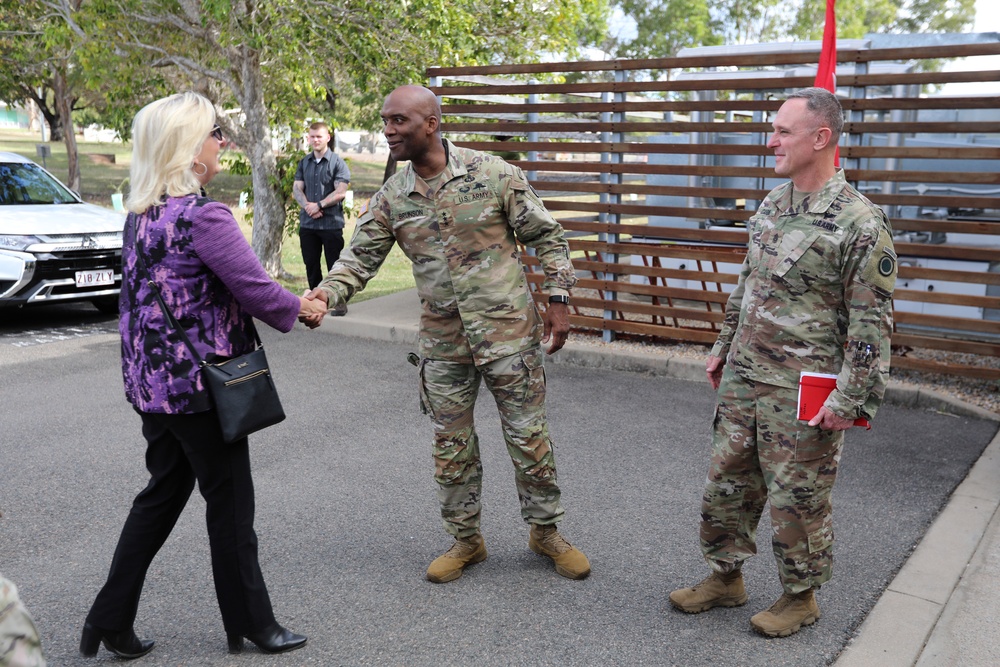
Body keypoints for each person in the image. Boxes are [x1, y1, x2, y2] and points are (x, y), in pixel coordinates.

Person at [304, 84, 590, 583]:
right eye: (385, 120)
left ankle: (545, 533)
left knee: (530, 439)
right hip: (443, 346)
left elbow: (548, 235)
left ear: (431, 124)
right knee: (451, 447)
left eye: (399, 121)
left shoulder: (493, 174)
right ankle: (466, 540)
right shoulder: (394, 195)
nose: (389, 130)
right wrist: (326, 295)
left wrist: (559, 301)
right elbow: (359, 258)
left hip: (508, 338)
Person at [81, 92, 325, 660]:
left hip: (152, 387)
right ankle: (254, 625)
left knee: (161, 497)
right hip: (201, 391)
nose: (223, 141)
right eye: (215, 132)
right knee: (231, 505)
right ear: (191, 150)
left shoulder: (142, 213)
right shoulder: (203, 216)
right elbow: (255, 289)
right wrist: (304, 308)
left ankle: (108, 618)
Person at [668, 87, 897, 637]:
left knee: (798, 494)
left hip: (804, 389)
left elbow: (872, 324)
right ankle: (725, 577)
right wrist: (724, 344)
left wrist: (853, 397)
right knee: (728, 481)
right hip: (747, 376)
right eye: (773, 129)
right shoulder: (773, 203)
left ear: (821, 138)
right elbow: (748, 284)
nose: (771, 140)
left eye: (783, 131)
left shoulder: (861, 224)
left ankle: (801, 597)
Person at [292, 121, 352, 304]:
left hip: (331, 224)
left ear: (328, 137)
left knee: (335, 265)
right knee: (311, 264)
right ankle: (317, 303)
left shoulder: (338, 163)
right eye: (312, 136)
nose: (315, 140)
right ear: (308, 138)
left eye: (319, 136)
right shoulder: (304, 163)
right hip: (308, 224)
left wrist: (319, 205)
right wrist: (309, 208)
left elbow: (340, 192)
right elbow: (296, 189)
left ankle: (339, 302)